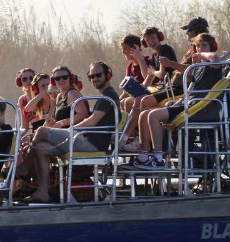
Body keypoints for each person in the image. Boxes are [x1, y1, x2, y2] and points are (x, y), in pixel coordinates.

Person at [20, 62, 120, 202]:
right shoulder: (101, 96)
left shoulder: (108, 96)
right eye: (91, 76)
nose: (94, 78)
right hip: (82, 139)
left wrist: (66, 128)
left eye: (98, 75)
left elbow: (90, 120)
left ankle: (24, 167)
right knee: (41, 148)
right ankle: (43, 192)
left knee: (42, 131)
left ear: (108, 75)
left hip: (91, 143)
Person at [134, 33, 223, 169]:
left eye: (204, 45)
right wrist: (176, 103)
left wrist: (201, 55)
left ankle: (158, 158)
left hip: (200, 108)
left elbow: (216, 58)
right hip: (189, 105)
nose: (200, 49)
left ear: (212, 46)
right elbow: (189, 91)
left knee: (153, 115)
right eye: (197, 46)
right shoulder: (196, 68)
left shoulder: (213, 67)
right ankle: (143, 156)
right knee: (143, 114)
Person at [119, 27, 179, 151]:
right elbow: (149, 75)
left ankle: (128, 138)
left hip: (170, 89)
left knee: (141, 101)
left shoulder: (163, 49)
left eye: (153, 38)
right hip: (161, 88)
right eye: (147, 40)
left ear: (159, 37)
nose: (151, 41)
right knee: (128, 101)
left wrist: (149, 67)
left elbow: (160, 75)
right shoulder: (155, 55)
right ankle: (131, 138)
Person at [14, 68, 40, 132]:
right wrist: (17, 138)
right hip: (35, 131)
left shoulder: (43, 94)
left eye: (31, 78)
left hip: (47, 128)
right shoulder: (22, 100)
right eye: (24, 79)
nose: (28, 80)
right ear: (20, 82)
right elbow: (24, 126)